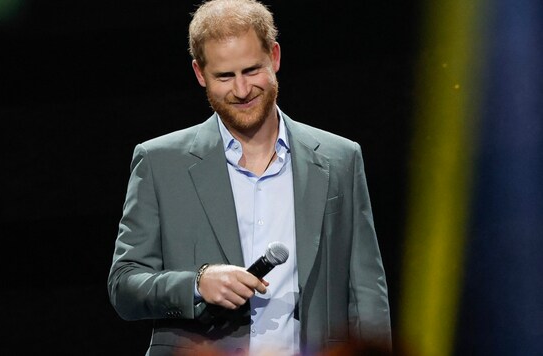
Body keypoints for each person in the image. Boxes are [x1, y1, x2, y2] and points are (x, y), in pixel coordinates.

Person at [107, 0, 392, 355]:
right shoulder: (160, 162)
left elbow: (366, 291)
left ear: (274, 57)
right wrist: (196, 284)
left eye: (251, 70)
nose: (242, 91)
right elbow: (124, 286)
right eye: (224, 76)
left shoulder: (340, 158)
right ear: (199, 73)